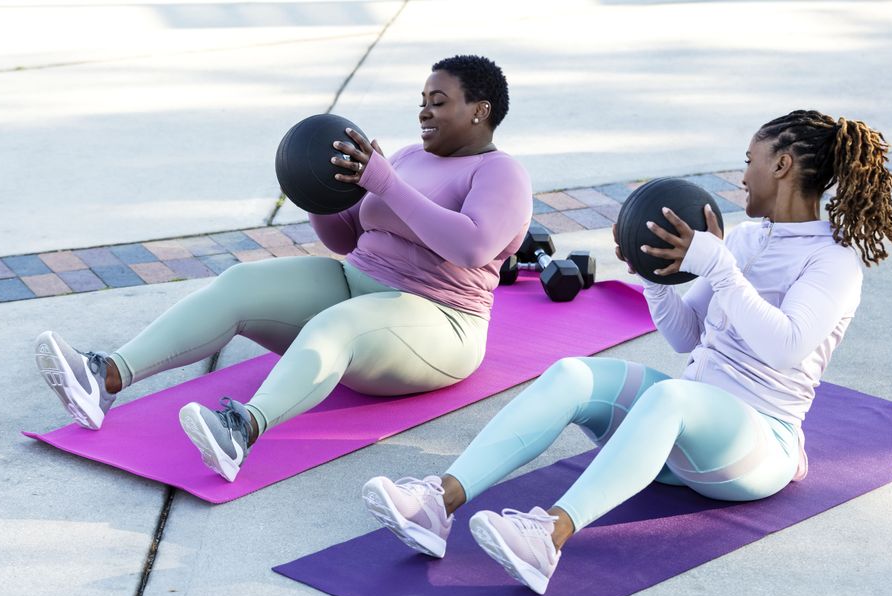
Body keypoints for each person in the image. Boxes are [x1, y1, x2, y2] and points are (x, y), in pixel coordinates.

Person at [362, 110, 892, 594]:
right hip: (678, 434)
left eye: (750, 161)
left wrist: (719, 266)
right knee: (572, 373)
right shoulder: (746, 239)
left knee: (674, 395)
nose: (743, 175)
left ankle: (547, 539)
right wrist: (654, 278)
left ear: (783, 164)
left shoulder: (834, 261)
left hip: (756, 443)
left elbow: (785, 345)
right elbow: (686, 337)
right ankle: (437, 502)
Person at [34, 55, 532, 482]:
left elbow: (471, 246)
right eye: (422, 99)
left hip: (439, 319)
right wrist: (318, 191)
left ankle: (239, 431)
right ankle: (106, 378)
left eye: (439, 100)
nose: (424, 110)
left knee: (336, 325)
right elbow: (346, 238)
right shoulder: (406, 157)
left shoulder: (500, 172)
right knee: (242, 283)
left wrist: (386, 184)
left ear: (480, 111)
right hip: (357, 283)